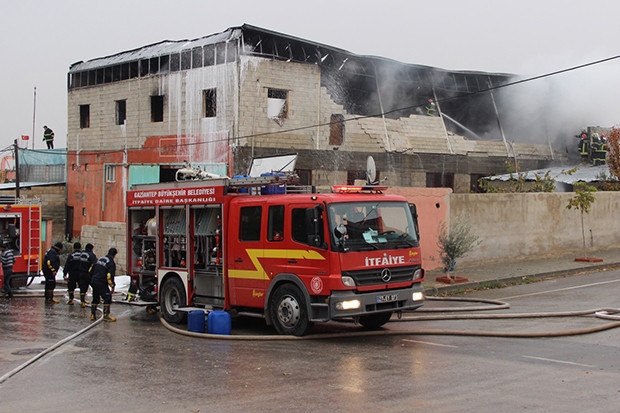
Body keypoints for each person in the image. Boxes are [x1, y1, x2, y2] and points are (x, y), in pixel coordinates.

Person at [90, 248, 118, 322]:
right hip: (101, 281)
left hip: (94, 280)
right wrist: (112, 286)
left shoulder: (100, 259)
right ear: (114, 255)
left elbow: (90, 270)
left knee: (95, 297)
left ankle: (92, 314)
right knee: (107, 297)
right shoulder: (111, 263)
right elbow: (109, 276)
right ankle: (106, 315)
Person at [79, 243, 97, 308]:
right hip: (88, 274)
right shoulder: (91, 255)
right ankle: (96, 300)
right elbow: (95, 264)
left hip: (81, 273)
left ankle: (82, 301)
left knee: (83, 287)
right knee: (95, 286)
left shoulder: (81, 254)